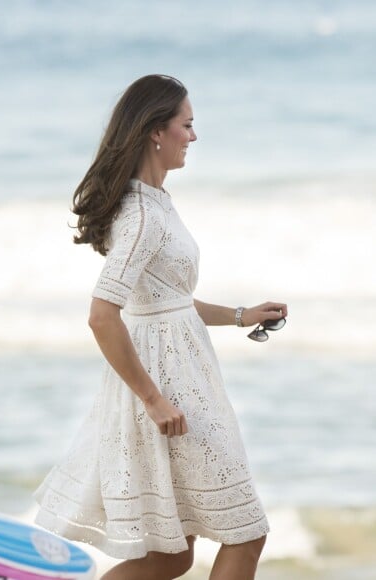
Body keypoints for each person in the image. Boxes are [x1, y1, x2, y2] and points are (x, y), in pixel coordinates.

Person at [33, 74, 287, 580]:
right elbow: (102, 315)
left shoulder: (156, 203)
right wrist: (153, 398)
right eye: (186, 125)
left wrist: (240, 315)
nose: (193, 136)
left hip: (184, 380)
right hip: (171, 394)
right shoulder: (142, 216)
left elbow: (166, 304)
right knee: (246, 531)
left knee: (171, 556)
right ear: (156, 131)